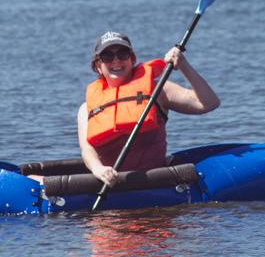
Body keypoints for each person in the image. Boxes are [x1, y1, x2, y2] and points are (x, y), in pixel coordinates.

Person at [77, 30, 219, 187]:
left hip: (157, 181)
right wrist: (98, 169)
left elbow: (209, 103)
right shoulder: (86, 109)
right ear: (98, 66)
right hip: (111, 183)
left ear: (132, 59)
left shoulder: (158, 91)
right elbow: (87, 150)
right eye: (108, 57)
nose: (116, 61)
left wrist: (184, 65)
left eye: (122, 54)